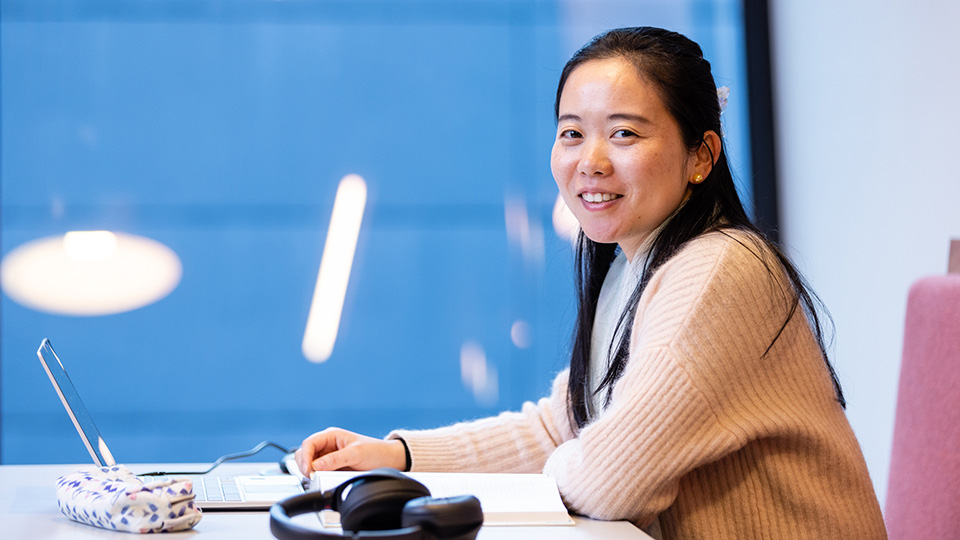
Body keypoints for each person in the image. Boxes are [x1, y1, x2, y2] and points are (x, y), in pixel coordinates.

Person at [295, 27, 887, 539]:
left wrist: (551, 470)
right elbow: (564, 426)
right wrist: (399, 456)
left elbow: (611, 479)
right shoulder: (636, 265)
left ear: (701, 156)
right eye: (572, 133)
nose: (591, 161)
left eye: (625, 134)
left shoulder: (720, 272)